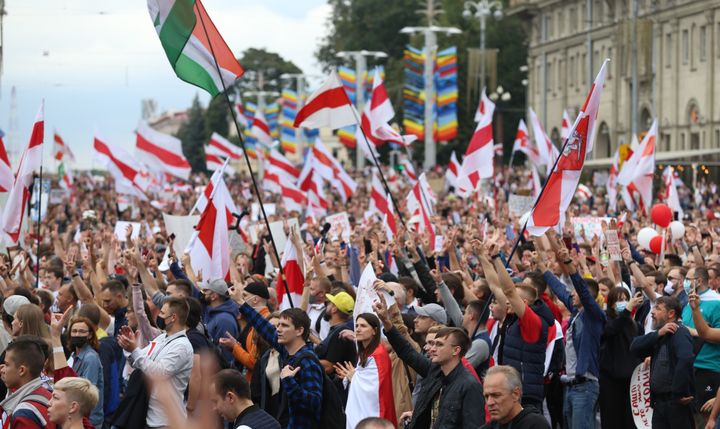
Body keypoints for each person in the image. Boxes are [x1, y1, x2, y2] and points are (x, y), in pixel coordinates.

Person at [373, 293, 484, 428]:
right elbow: (407, 352)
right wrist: (386, 321)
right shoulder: (434, 371)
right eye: (432, 344)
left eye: (439, 345)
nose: (431, 349)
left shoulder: (469, 385)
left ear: (456, 350)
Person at [230, 285, 323, 429]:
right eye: (278, 325)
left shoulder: (308, 361)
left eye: (284, 326)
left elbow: (314, 403)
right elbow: (264, 327)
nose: (278, 329)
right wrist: (241, 302)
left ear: (299, 331)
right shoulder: (288, 351)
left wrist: (290, 382)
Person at [542, 235, 606, 428]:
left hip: (585, 386)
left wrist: (569, 263)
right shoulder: (577, 312)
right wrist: (542, 267)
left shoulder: (594, 316)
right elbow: (560, 289)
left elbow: (582, 290)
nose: (571, 294)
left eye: (576, 293)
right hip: (569, 385)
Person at [117, 296, 194, 428]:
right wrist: (130, 348)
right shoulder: (161, 338)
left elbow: (159, 373)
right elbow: (139, 363)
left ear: (173, 317)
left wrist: (135, 350)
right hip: (148, 415)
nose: (159, 316)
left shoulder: (182, 346)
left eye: (163, 313)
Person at [631, 296, 695, 429]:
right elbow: (634, 347)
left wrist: (679, 393)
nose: (652, 312)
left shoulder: (680, 332)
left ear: (671, 314)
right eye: (653, 307)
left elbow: (686, 359)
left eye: (658, 308)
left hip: (675, 405)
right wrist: (658, 333)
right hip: (659, 404)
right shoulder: (660, 335)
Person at [336, 313, 396, 429]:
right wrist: (354, 376)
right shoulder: (367, 352)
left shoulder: (377, 354)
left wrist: (354, 377)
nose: (358, 329)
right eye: (357, 325)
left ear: (374, 331)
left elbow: (374, 387)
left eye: (363, 326)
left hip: (374, 414)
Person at [599, 287, 642, 429]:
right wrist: (627, 311)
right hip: (610, 379)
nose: (623, 303)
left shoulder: (634, 324)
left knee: (629, 420)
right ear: (611, 303)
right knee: (612, 418)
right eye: (619, 300)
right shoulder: (606, 319)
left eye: (625, 299)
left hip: (631, 380)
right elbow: (611, 330)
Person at [682, 267, 720, 427]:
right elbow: (705, 332)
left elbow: (707, 335)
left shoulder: (716, 303)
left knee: (705, 419)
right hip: (690, 367)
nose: (685, 282)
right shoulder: (689, 304)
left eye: (688, 278)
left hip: (710, 368)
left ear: (698, 280)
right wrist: (696, 309)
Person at [0, 335, 55, 429]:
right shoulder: (47, 394)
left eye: (7, 365)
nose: (2, 370)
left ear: (21, 370)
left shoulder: (24, 413)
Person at [481, 365, 551, 429]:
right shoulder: (491, 426)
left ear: (516, 394)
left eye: (496, 395)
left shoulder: (536, 425)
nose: (489, 403)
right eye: (486, 396)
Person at [211, 368, 281, 429]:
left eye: (215, 401)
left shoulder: (244, 427)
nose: (214, 408)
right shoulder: (272, 421)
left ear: (230, 397)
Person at [67, 316, 104, 427]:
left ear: (90, 335)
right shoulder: (74, 354)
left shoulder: (90, 358)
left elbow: (87, 391)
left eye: (82, 331)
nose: (77, 334)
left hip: (89, 419)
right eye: (74, 331)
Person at [201, 279, 240, 364]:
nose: (203, 294)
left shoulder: (224, 320)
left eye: (205, 291)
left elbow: (226, 356)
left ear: (213, 296)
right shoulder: (211, 312)